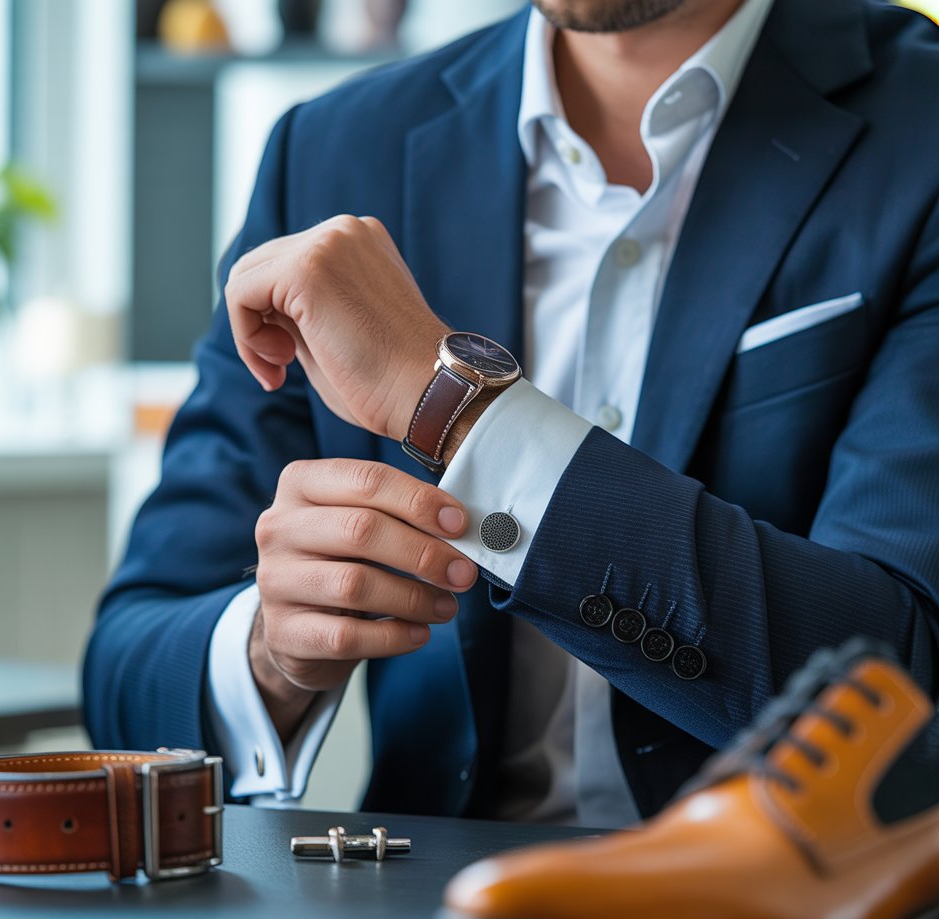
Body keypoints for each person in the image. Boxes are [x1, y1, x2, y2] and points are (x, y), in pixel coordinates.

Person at [84, 0, 939, 825]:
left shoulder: (920, 126)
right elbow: (127, 680)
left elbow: (912, 692)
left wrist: (455, 408)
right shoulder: (336, 151)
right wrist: (272, 647)